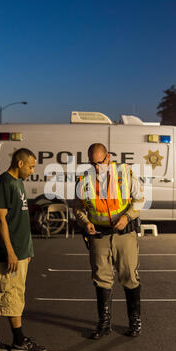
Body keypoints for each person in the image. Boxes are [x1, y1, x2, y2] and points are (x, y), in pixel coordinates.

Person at [0, 148, 46, 351]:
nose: (33, 170)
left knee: (0, 295)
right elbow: (0, 217)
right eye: (31, 166)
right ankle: (19, 340)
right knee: (11, 295)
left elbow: (20, 221)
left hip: (20, 251)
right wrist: (11, 251)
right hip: (9, 253)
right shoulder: (6, 183)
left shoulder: (18, 183)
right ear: (20, 163)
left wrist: (28, 250)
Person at [74, 143, 145, 339]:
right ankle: (104, 324)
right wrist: (85, 222)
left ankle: (134, 322)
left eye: (100, 162)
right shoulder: (83, 178)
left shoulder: (125, 173)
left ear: (108, 158)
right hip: (99, 236)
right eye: (92, 163)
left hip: (125, 235)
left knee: (130, 276)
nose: (97, 167)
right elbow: (78, 207)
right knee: (101, 279)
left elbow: (139, 200)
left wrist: (127, 217)